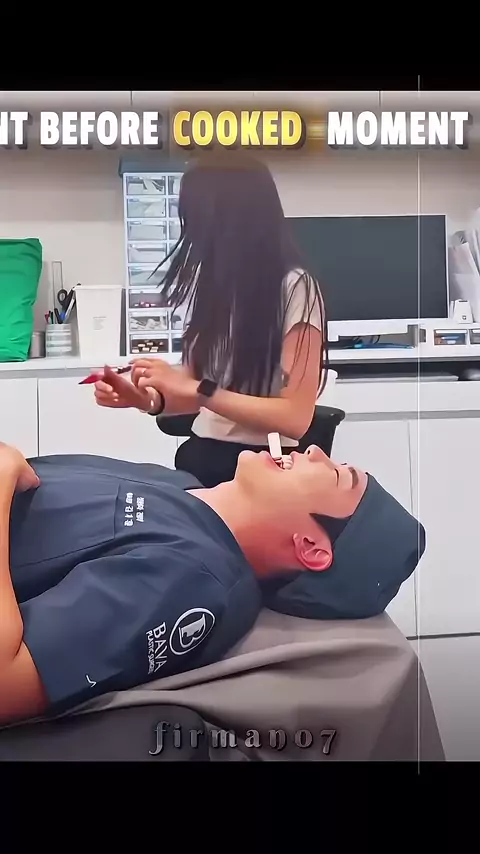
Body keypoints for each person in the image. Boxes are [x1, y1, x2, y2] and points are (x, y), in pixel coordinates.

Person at [0, 440, 425, 728]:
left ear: (312, 547)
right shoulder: (180, 486)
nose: (315, 451)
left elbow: (6, 683)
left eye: (336, 475)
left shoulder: (190, 580)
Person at [95, 152, 328, 487]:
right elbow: (193, 387)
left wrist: (199, 390)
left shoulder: (295, 288)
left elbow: (295, 418)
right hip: (202, 455)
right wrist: (146, 398)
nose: (191, 232)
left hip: (264, 466)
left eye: (196, 218)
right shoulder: (212, 288)